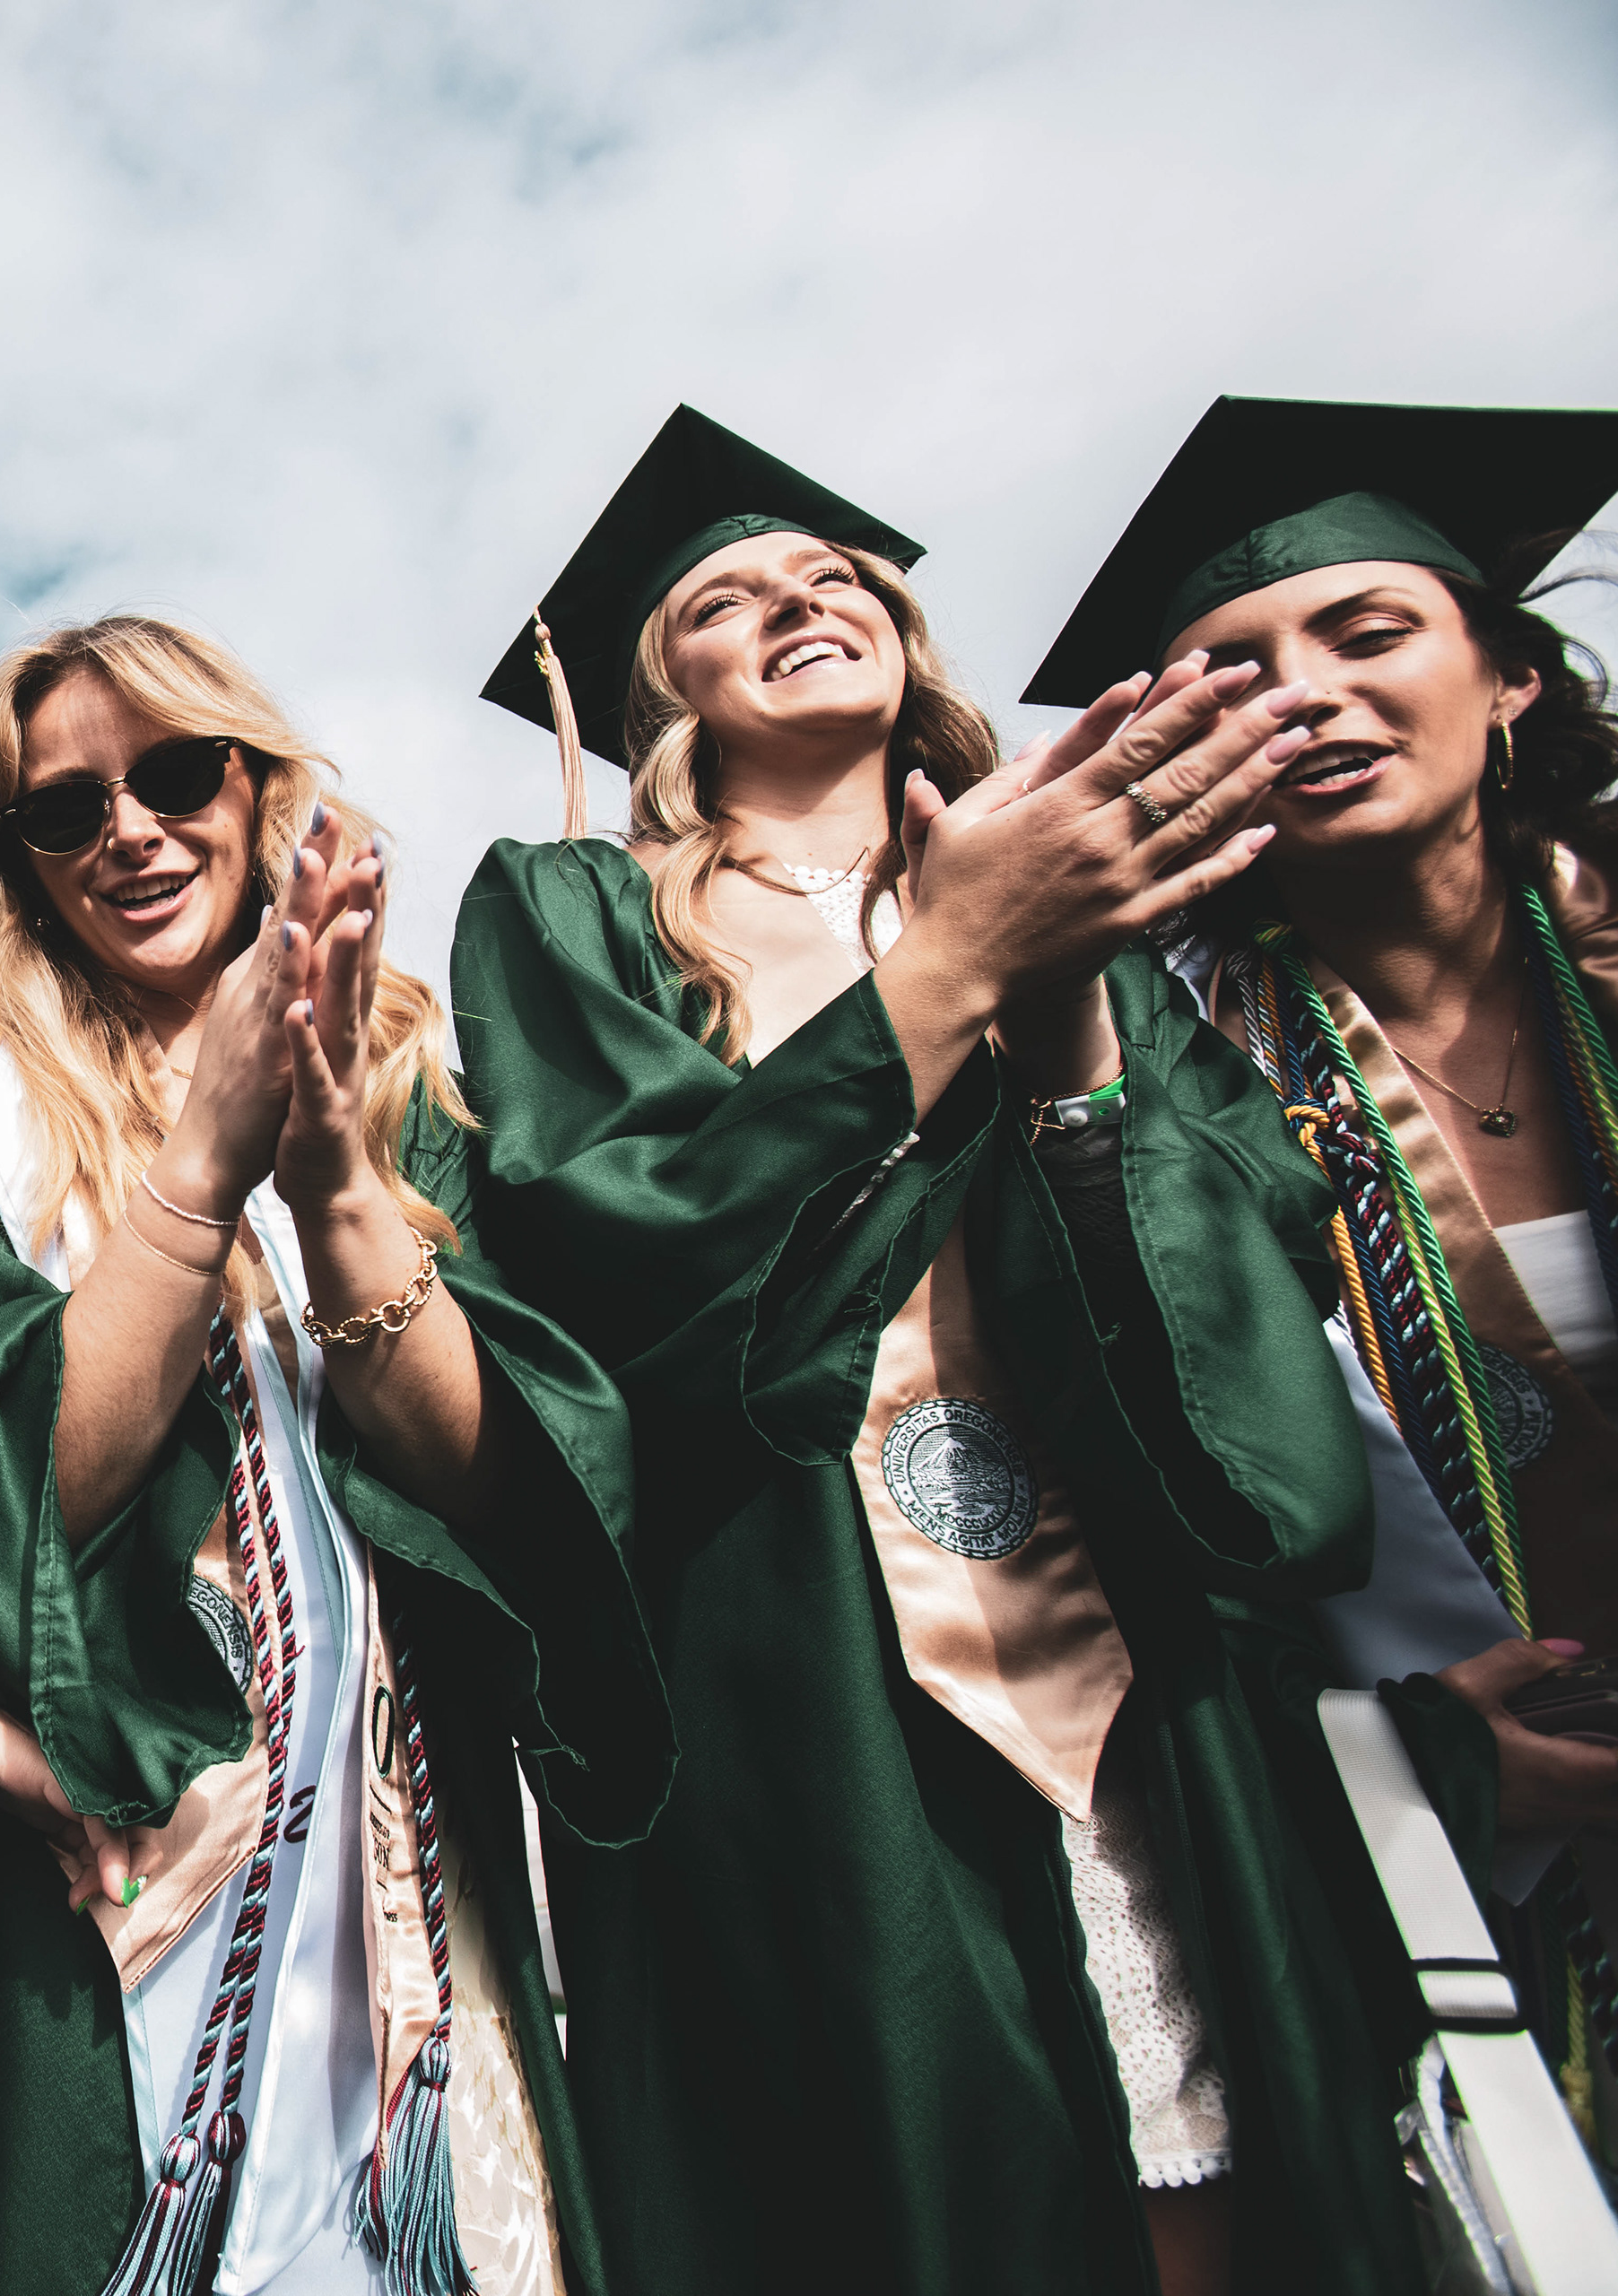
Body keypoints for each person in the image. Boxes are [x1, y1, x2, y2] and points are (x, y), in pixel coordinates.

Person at [449, 406, 1410, 2296]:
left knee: (1204, 2144)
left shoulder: (1106, 913)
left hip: (1128, 1632)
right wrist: (940, 975)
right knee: (876, 2180)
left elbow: (1245, 1282)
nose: (795, 601)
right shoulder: (574, 913)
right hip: (786, 1656)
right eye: (725, 600)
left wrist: (1062, 1034)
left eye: (834, 577)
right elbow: (610, 1258)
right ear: (673, 692)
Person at [0, 613, 664, 2296]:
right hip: (94, 1862)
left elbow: (502, 1489)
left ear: (259, 787)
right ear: (16, 861)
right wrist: (197, 1165)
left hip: (391, 1843)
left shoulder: (415, 1082)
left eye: (177, 775)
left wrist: (326, 1181)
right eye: (64, 809)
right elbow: (26, 1496)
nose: (132, 832)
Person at [1028, 394, 1618, 2147]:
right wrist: (1407, 1753)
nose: (1302, 690)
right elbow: (1121, 1542)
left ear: (1507, 675)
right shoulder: (1155, 1071)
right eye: (1229, 670)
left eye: (1368, 633)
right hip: (1467, 1900)